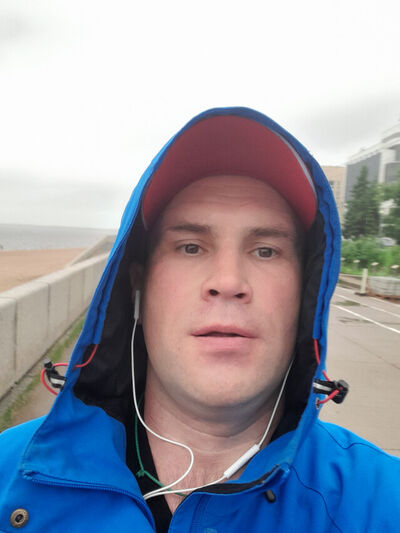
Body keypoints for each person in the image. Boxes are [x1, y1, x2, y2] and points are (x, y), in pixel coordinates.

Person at [0, 107, 399, 532]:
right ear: (138, 284)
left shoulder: (381, 502)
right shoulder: (9, 473)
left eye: (266, 250)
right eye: (190, 247)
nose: (228, 282)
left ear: (306, 293)